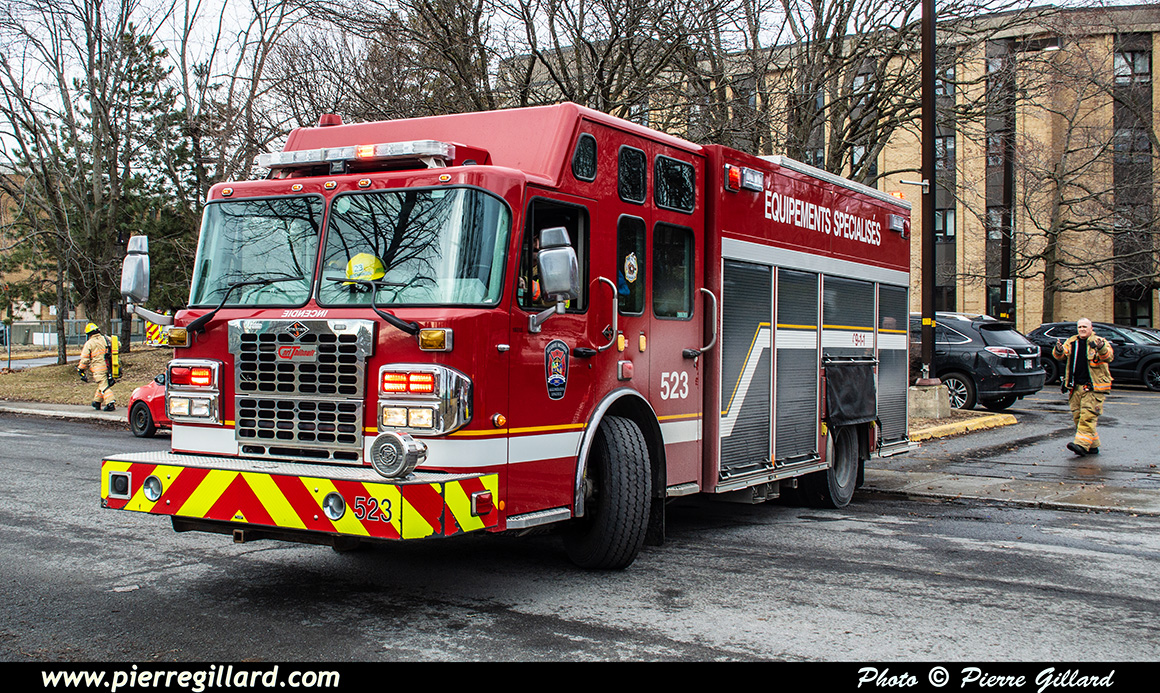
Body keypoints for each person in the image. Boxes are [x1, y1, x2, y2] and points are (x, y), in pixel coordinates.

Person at [1052, 318, 1113, 456]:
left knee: (1087, 417)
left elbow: (1108, 357)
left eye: (1085, 327)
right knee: (1078, 417)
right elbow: (1060, 356)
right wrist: (1058, 350)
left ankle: (1081, 445)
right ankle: (1092, 445)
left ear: (1091, 328)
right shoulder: (1072, 342)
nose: (1082, 329)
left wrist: (1101, 348)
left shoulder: (1099, 341)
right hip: (1075, 387)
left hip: (1093, 388)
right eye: (1080, 327)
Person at [77, 322, 116, 412]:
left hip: (98, 369)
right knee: (103, 384)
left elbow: (85, 359)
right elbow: (118, 344)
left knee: (103, 385)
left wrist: (81, 369)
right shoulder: (106, 338)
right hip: (110, 367)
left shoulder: (89, 343)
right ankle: (97, 402)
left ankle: (110, 403)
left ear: (89, 334)